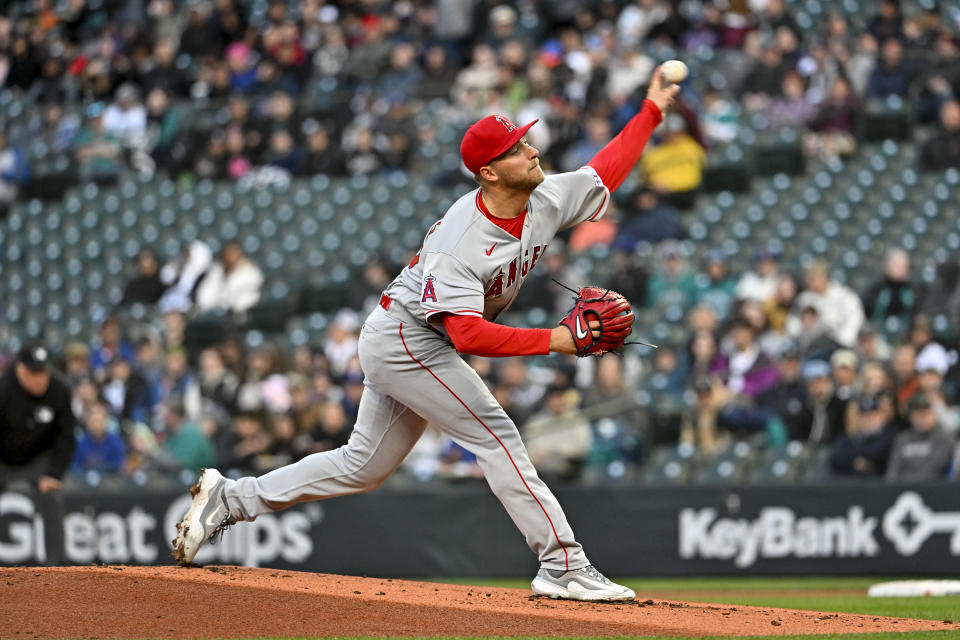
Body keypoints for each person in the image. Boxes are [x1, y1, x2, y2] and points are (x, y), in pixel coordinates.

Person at [173, 66, 680, 601]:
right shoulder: (462, 240)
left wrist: (650, 111)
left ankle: (230, 498)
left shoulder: (543, 196)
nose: (532, 151)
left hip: (406, 334)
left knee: (362, 466)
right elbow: (465, 335)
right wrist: (553, 341)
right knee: (497, 436)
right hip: (407, 336)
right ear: (489, 172)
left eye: (527, 140)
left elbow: (605, 172)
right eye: (517, 147)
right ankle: (563, 564)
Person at [0, 345, 77, 564]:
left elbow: (66, 437)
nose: (40, 379)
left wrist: (54, 473)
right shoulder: (3, 390)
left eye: (43, 372)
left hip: (38, 458)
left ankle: (57, 565)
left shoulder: (59, 390)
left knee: (51, 496)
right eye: (34, 373)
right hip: (3, 458)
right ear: (20, 370)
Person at [886, 392, 956, 482]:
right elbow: (892, 471)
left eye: (925, 413)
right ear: (911, 416)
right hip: (902, 491)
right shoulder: (902, 439)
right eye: (918, 414)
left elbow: (935, 469)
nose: (922, 418)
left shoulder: (944, 438)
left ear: (934, 414)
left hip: (934, 490)